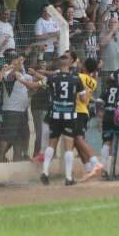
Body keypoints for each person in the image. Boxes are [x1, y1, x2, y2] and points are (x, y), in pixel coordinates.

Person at [41, 54, 85, 186]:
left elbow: (41, 85)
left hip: (55, 114)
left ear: (59, 64)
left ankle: (45, 172)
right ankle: (68, 177)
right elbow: (83, 99)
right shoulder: (76, 78)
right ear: (70, 63)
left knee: (51, 144)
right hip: (69, 115)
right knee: (68, 146)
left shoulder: (52, 78)